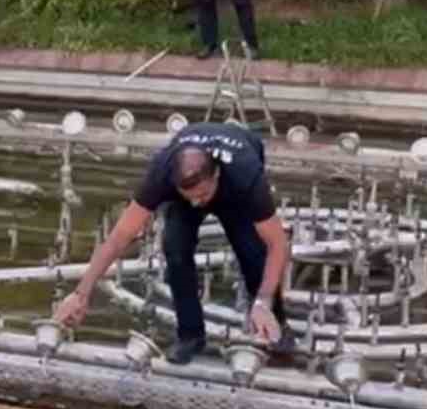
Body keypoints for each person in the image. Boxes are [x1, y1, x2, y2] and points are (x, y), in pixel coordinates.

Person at [54, 121, 292, 365]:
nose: (198, 203)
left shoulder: (246, 175)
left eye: (203, 196)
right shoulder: (161, 174)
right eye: (190, 196)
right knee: (175, 249)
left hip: (233, 188)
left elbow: (278, 244)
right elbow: (117, 239)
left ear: (216, 175)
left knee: (251, 253)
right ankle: (190, 336)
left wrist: (263, 300)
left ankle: (275, 323)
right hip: (191, 184)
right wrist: (81, 292)